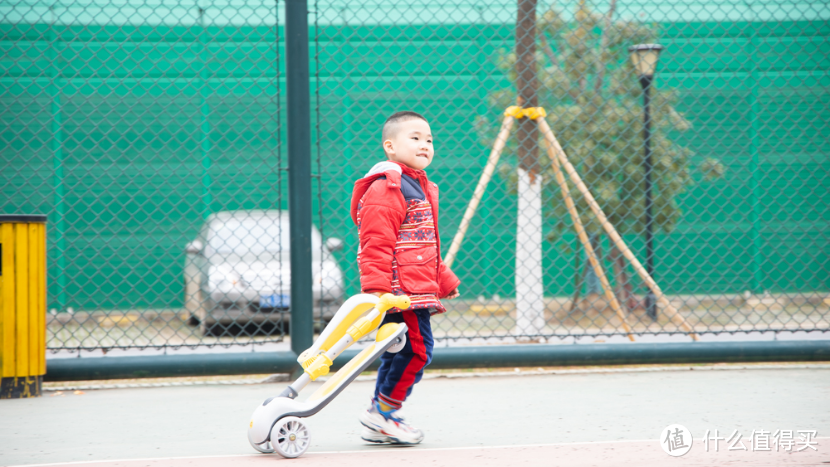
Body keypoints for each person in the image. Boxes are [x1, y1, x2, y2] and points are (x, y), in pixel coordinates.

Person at [349, 110, 461, 445]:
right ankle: (381, 414)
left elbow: (424, 244)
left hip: (413, 290)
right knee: (417, 351)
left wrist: (444, 280)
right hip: (399, 293)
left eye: (429, 139)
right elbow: (376, 244)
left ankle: (381, 414)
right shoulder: (389, 189)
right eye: (415, 138)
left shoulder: (418, 187)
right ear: (390, 146)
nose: (425, 144)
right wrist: (378, 291)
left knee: (399, 352)